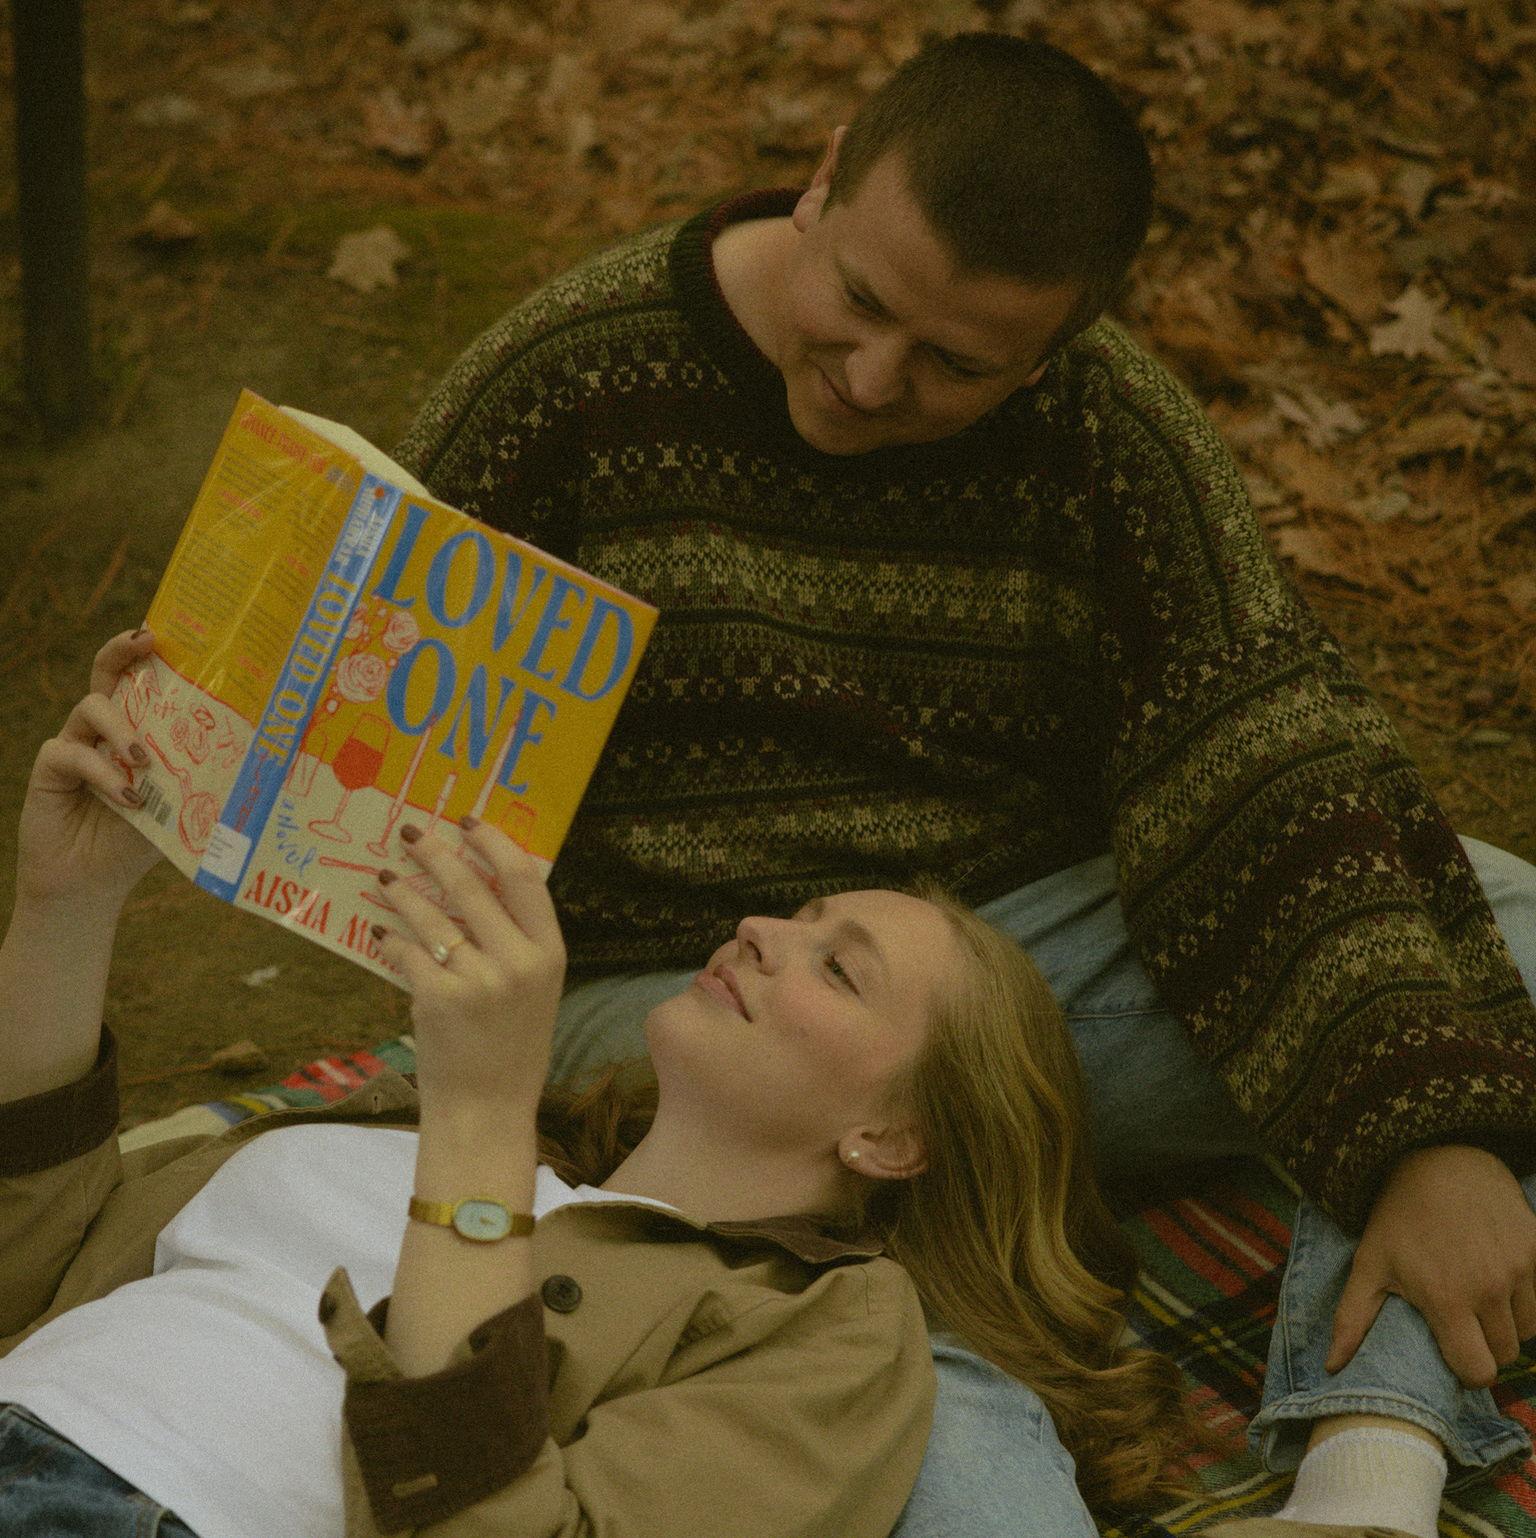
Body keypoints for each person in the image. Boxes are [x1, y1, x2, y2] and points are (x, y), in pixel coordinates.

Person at [390, 28, 1536, 1538]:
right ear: (823, 184)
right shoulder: (567, 379)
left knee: (1472, 938)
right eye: (862, 304)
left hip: (985, 958)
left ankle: (1365, 1477)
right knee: (1426, 1013)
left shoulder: (1111, 438)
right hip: (656, 988)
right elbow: (379, 756)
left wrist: (1429, 1133)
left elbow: (1269, 750)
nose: (874, 378)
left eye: (955, 364)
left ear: (1052, 350)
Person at [0, 628, 1193, 1537]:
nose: (763, 929)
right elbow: (31, 1256)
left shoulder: (832, 1334)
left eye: (840, 966)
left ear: (893, 1136)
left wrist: (478, 1108)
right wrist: (65, 904)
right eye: (798, 910)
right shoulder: (412, 1122)